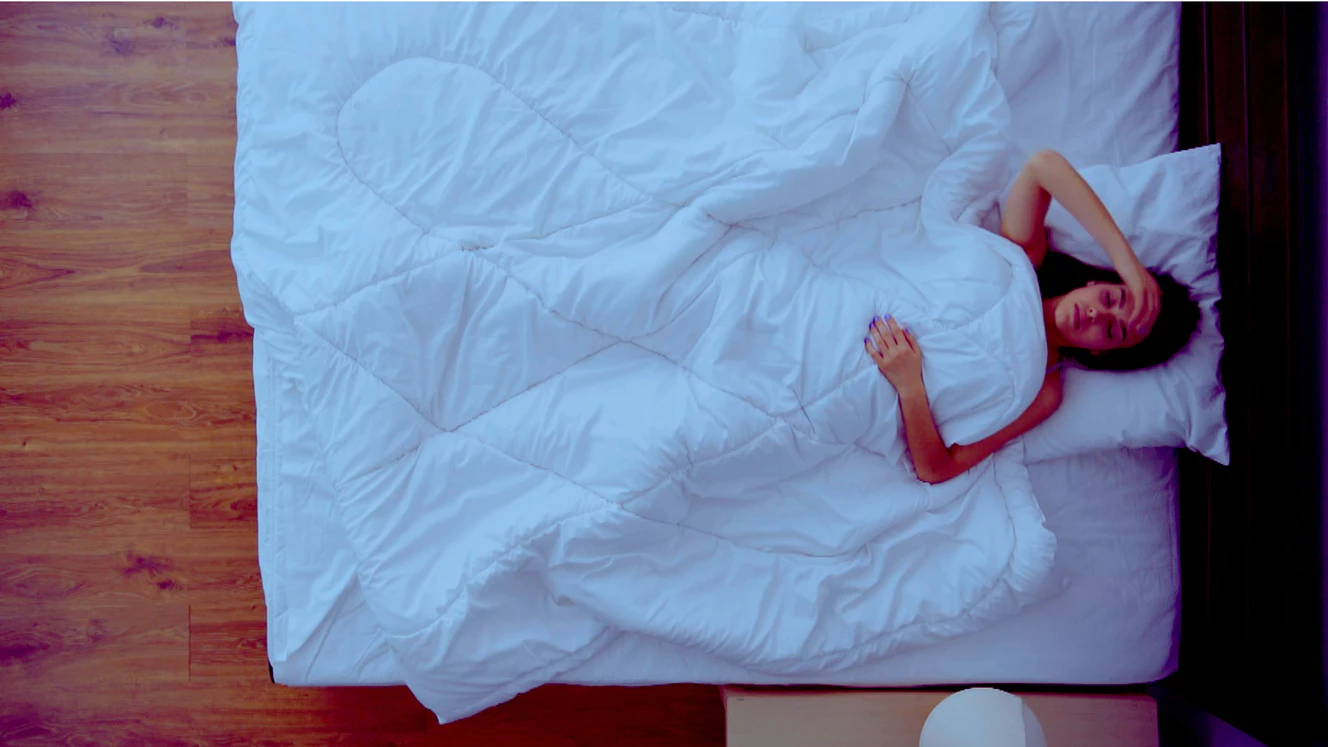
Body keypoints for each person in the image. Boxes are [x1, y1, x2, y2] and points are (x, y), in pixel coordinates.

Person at [863, 149, 1201, 484]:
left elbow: (937, 468)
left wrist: (909, 385)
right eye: (1111, 298)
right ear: (1095, 282)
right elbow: (1043, 166)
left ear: (1101, 352)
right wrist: (1127, 264)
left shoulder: (1043, 392)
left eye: (1112, 331)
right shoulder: (1023, 259)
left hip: (877, 381)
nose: (1096, 314)